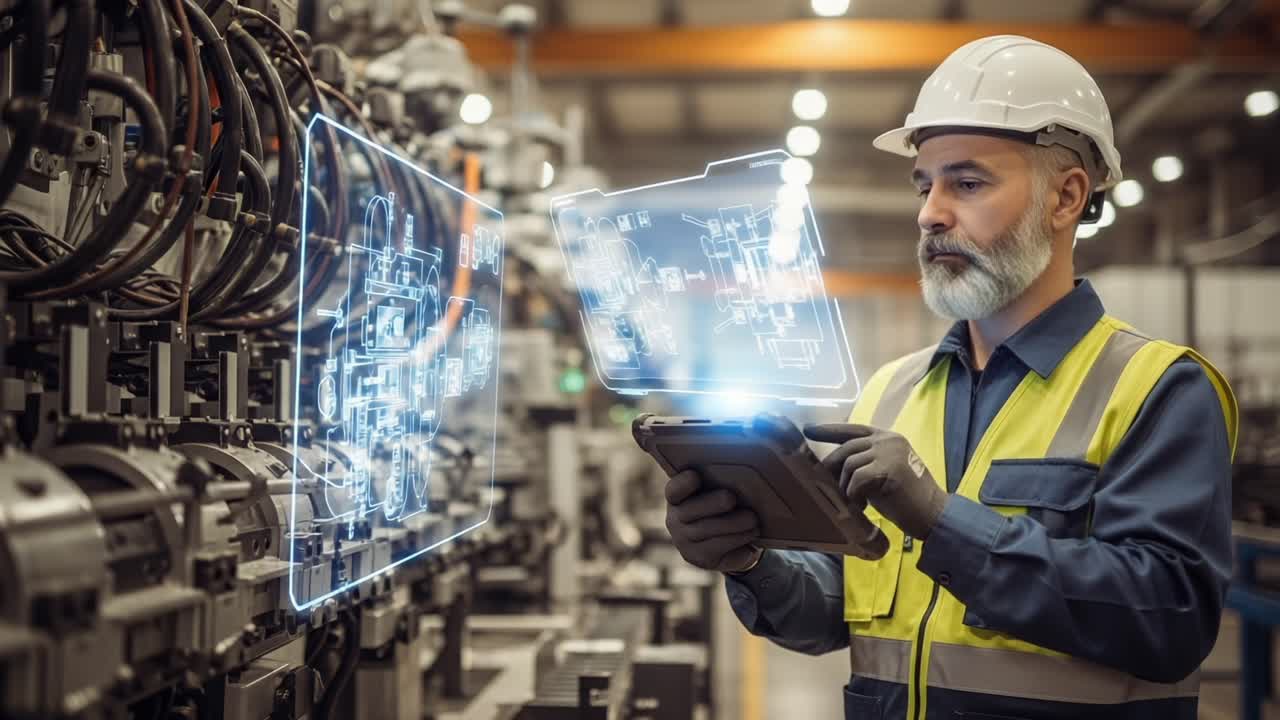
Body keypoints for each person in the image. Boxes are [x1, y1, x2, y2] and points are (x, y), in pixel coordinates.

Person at [663, 35, 1238, 720]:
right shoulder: (892, 394)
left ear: (1066, 198)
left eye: (967, 183)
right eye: (924, 184)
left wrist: (942, 524)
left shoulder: (1156, 389)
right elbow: (839, 612)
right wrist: (748, 560)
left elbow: (1168, 619)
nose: (930, 212)